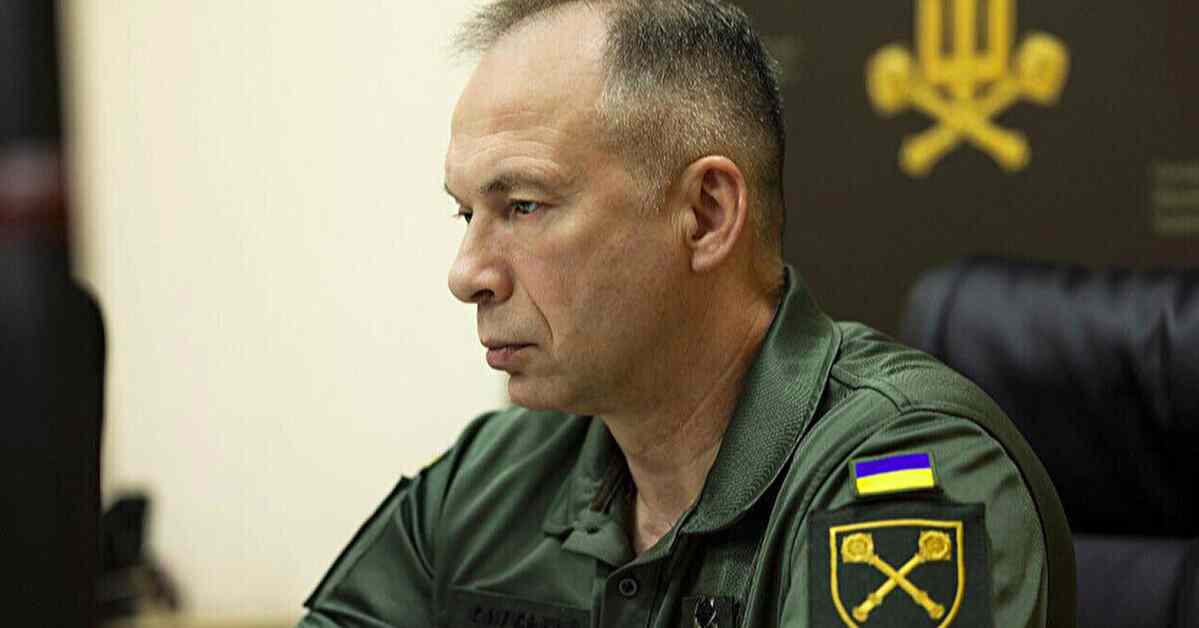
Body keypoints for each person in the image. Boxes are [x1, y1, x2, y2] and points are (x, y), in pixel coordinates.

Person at [298, 1, 1075, 626]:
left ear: (705, 215)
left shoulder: (901, 474)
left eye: (524, 206)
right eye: (466, 214)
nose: (467, 274)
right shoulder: (492, 476)